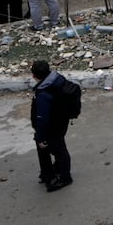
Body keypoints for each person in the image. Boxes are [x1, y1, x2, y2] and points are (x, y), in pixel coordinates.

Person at [29, 59, 74, 191]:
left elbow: (42, 118)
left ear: (34, 76)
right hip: (61, 122)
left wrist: (40, 137)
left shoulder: (43, 94)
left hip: (51, 128)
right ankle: (53, 171)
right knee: (57, 148)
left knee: (57, 150)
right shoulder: (57, 80)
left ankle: (65, 178)